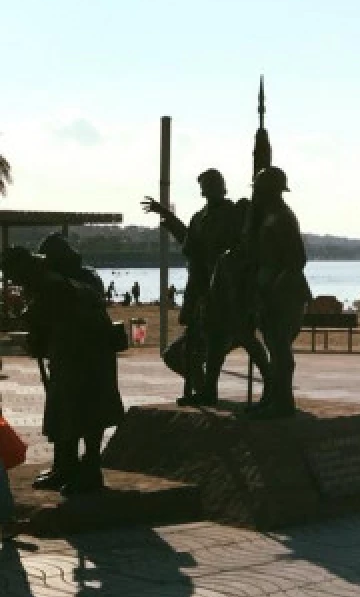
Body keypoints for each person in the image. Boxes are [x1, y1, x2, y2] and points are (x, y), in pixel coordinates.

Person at [2, 243, 124, 495]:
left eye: (14, 275)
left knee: (86, 411)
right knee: (62, 409)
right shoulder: (42, 280)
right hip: (69, 355)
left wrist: (28, 319)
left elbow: (47, 314)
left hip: (87, 354)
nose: (13, 281)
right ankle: (65, 466)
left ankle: (90, 471)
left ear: (24, 267)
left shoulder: (52, 282)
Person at [143, 168, 245, 404]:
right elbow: (189, 241)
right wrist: (166, 216)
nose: (210, 189)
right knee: (178, 354)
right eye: (206, 185)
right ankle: (203, 391)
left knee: (216, 344)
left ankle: (207, 392)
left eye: (214, 184)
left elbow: (243, 247)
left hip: (224, 291)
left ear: (222, 186)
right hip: (200, 290)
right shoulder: (199, 217)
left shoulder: (234, 214)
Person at [243, 166, 312, 418]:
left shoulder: (281, 218)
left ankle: (282, 402)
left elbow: (296, 261)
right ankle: (272, 397)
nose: (256, 195)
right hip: (269, 291)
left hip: (284, 294)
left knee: (280, 350)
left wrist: (272, 291)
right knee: (274, 348)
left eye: (259, 190)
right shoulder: (268, 216)